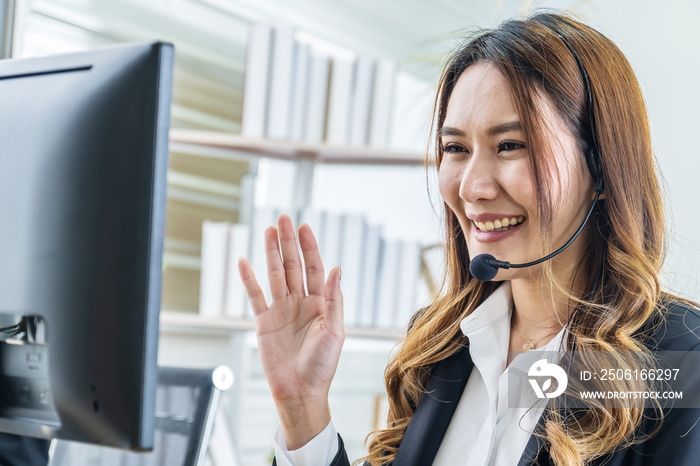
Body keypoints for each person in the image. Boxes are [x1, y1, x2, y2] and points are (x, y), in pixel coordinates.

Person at [237, 12, 700, 466]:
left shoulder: (680, 363)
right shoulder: (442, 347)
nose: (472, 187)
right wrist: (303, 412)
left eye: (511, 146)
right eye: (455, 149)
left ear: (601, 166)